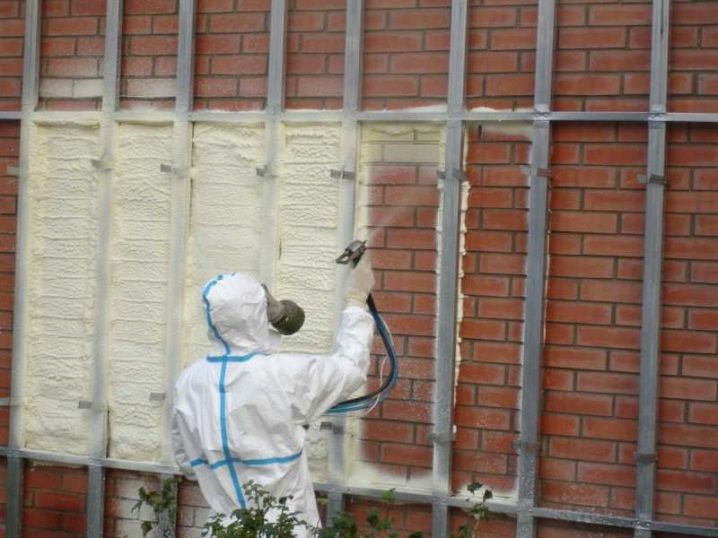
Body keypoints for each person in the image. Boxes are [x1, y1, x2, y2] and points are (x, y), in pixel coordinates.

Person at [171, 256, 375, 535]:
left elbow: (187, 463)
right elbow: (350, 369)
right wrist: (355, 302)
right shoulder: (283, 374)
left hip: (223, 529)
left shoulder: (189, 381)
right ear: (255, 314)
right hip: (286, 528)